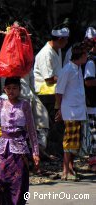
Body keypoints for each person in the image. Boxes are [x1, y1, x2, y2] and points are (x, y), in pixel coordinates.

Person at [0, 71, 39, 205]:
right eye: (8, 88)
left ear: (19, 90)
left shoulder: (25, 105)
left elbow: (32, 129)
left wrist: (35, 152)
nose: (11, 91)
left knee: (19, 182)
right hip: (4, 149)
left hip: (20, 150)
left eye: (14, 88)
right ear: (5, 89)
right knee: (1, 182)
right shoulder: (0, 102)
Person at [55, 42, 88, 181]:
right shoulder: (67, 70)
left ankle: (70, 168)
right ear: (80, 56)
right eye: (85, 55)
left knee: (75, 141)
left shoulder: (78, 68)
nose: (87, 57)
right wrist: (59, 110)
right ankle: (65, 170)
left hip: (79, 110)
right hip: (70, 110)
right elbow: (59, 91)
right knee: (69, 140)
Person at [33, 26, 69, 126]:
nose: (67, 42)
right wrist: (67, 79)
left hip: (56, 92)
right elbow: (49, 79)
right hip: (46, 95)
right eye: (66, 40)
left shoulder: (58, 49)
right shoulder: (45, 53)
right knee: (53, 125)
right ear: (60, 39)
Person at [83, 36, 96, 172]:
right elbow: (88, 81)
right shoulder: (91, 62)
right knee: (94, 135)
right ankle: (93, 163)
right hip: (92, 105)